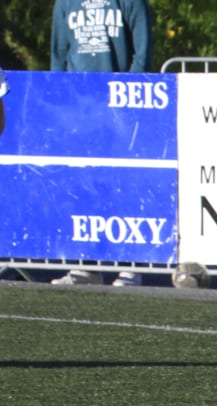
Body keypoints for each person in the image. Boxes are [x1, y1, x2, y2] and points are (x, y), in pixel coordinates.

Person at [50, 0, 152, 287]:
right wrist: (63, 97)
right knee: (83, 186)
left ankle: (130, 266)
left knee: (123, 184)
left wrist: (127, 95)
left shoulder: (131, 2)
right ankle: (86, 265)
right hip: (80, 107)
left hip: (120, 107)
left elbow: (142, 53)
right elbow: (59, 54)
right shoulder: (65, 3)